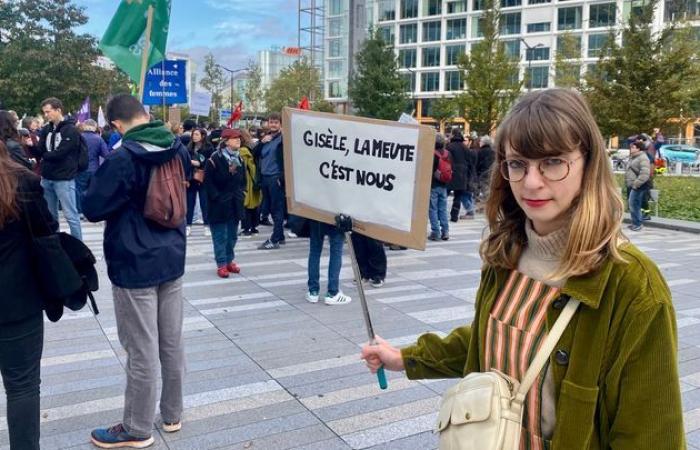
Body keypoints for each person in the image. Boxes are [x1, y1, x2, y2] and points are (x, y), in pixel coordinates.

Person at [361, 89, 685, 449]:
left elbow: (652, 434)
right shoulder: (506, 252)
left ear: (588, 163)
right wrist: (406, 358)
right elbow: (490, 340)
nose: (531, 182)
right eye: (517, 164)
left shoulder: (634, 286)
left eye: (552, 162)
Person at [83, 94, 190, 448]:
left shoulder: (123, 157)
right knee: (171, 342)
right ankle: (172, 414)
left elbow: (94, 207)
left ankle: (136, 427)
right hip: (172, 256)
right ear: (145, 115)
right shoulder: (178, 147)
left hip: (134, 261)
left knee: (140, 349)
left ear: (115, 125)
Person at [0, 140, 57, 450]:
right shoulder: (21, 180)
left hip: (16, 300)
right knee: (21, 386)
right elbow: (47, 231)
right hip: (15, 298)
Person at [36, 97, 83, 240]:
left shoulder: (70, 129)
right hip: (47, 176)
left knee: (71, 215)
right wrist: (43, 153)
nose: (46, 115)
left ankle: (78, 244)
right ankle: (55, 243)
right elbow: (40, 149)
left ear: (58, 110)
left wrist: (46, 155)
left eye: (48, 112)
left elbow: (63, 152)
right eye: (44, 112)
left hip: (64, 178)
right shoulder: (46, 129)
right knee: (50, 215)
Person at [204, 128, 245, 278]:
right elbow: (208, 183)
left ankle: (229, 260)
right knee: (220, 236)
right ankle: (221, 264)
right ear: (226, 141)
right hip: (219, 205)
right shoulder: (214, 159)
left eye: (239, 138)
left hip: (235, 203)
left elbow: (242, 181)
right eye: (235, 138)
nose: (238, 140)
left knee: (232, 236)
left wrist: (242, 193)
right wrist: (217, 198)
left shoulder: (239, 158)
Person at [253, 113, 285, 249]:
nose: (273, 125)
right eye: (271, 122)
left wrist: (282, 178)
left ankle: (275, 239)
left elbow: (287, 160)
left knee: (277, 209)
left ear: (280, 124)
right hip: (265, 177)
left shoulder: (283, 140)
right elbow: (255, 153)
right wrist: (261, 142)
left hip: (275, 177)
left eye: (276, 122)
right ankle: (281, 235)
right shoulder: (266, 138)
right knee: (270, 208)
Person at [306, 220, 352, 305]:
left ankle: (313, 292)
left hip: (316, 215)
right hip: (336, 217)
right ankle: (332, 292)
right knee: (336, 252)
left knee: (314, 252)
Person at [76, 119, 109, 218]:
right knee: (92, 191)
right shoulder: (98, 139)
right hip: (94, 169)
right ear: (94, 127)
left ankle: (81, 212)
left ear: (84, 126)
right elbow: (106, 154)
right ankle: (92, 211)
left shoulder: (78, 138)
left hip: (81, 169)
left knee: (80, 190)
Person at [186, 128, 213, 237]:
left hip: (204, 178)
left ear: (202, 136)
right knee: (190, 203)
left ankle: (207, 226)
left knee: (204, 203)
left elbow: (209, 162)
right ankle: (188, 226)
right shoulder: (189, 147)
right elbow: (184, 161)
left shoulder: (208, 148)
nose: (194, 136)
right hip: (191, 178)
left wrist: (199, 163)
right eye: (193, 134)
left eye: (197, 134)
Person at [447, 129, 476, 221]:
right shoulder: (465, 147)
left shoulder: (449, 146)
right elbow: (470, 163)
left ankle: (440, 214)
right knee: (458, 197)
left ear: (453, 135)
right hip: (462, 175)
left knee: (444, 195)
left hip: (451, 173)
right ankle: (454, 216)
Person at [239, 128, 262, 236]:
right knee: (254, 204)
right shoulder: (252, 146)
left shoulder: (242, 150)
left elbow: (244, 167)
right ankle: (254, 227)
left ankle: (246, 228)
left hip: (247, 180)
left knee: (246, 204)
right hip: (255, 180)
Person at [625, 139, 651, 232]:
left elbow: (645, 173)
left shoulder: (642, 158)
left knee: (634, 204)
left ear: (639, 149)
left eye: (633, 147)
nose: (631, 148)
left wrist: (636, 184)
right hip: (632, 185)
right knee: (632, 204)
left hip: (638, 186)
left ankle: (638, 224)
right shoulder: (633, 157)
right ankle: (635, 223)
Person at [429, 133, 450, 241]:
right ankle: (445, 231)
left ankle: (435, 232)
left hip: (433, 185)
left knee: (433, 209)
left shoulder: (432, 154)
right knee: (443, 209)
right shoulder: (448, 153)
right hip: (444, 185)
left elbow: (429, 171)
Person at [476, 135, 495, 206]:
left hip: (482, 173)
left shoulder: (479, 152)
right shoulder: (493, 152)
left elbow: (477, 164)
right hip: (492, 173)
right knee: (489, 190)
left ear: (483, 143)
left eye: (480, 141)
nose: (479, 143)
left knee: (484, 191)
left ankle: (486, 206)